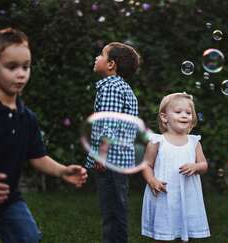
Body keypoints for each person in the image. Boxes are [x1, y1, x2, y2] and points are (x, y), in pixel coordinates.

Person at [0, 27, 88, 243]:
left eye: (26, 67)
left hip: (9, 200)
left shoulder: (27, 117)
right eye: (12, 67)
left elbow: (37, 157)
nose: (21, 73)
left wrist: (62, 171)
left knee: (28, 237)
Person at [84, 42, 140, 243]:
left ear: (111, 64)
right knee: (117, 208)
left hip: (110, 159)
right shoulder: (122, 87)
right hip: (119, 160)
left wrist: (102, 153)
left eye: (101, 55)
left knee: (112, 212)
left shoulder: (111, 87)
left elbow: (109, 122)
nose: (96, 58)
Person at [141, 92, 211, 242]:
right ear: (164, 117)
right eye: (178, 112)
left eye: (188, 112)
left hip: (187, 195)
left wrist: (195, 166)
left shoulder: (194, 142)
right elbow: (146, 165)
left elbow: (204, 165)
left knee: (185, 230)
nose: (184, 115)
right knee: (164, 231)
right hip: (164, 195)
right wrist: (152, 180)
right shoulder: (157, 141)